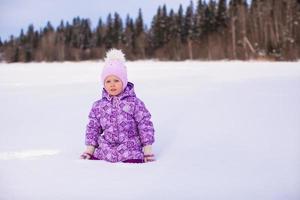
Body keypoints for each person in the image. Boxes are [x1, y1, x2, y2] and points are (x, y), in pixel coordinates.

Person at [80, 49, 155, 163]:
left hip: (130, 148)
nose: (112, 84)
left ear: (124, 82)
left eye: (116, 80)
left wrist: (147, 149)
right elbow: (93, 128)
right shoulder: (98, 106)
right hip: (107, 150)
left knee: (132, 160)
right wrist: (90, 149)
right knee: (96, 163)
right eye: (108, 81)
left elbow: (144, 124)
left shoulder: (134, 103)